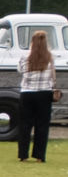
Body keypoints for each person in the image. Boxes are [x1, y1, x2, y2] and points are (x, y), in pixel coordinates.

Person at [16, 30, 55, 163]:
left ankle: (23, 154)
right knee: (42, 125)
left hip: (27, 92)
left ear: (32, 42)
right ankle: (39, 155)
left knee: (25, 124)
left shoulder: (24, 56)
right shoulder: (49, 56)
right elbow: (52, 77)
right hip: (44, 93)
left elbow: (20, 70)